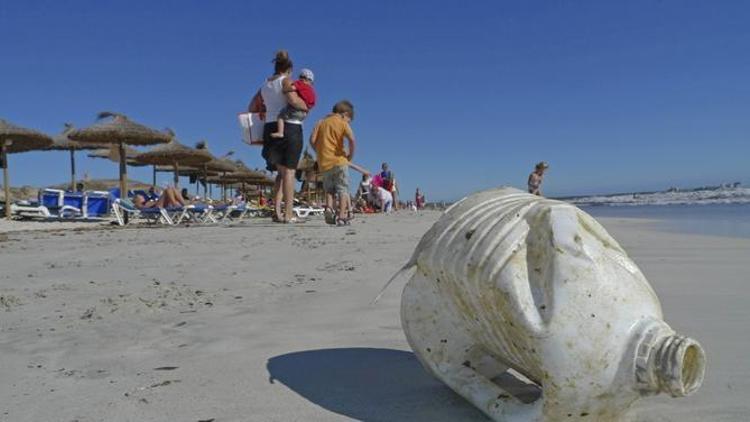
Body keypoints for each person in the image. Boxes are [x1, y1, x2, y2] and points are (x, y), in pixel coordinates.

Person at [248, 50, 309, 223]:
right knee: (290, 172)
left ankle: (277, 212)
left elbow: (252, 106)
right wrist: (306, 106)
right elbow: (294, 101)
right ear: (289, 69)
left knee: (280, 173)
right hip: (290, 127)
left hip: (270, 127)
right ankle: (289, 214)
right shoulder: (286, 81)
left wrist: (265, 109)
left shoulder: (264, 85)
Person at [309, 100, 357, 226]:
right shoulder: (342, 122)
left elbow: (312, 140)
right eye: (349, 119)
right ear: (345, 114)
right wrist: (350, 156)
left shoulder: (321, 122)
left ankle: (329, 209)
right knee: (342, 189)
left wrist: (320, 152)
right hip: (340, 161)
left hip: (324, 163)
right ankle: (341, 217)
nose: (348, 122)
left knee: (329, 189)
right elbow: (352, 139)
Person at [270, 69, 316, 138]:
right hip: (304, 114)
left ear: (302, 78)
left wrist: (284, 90)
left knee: (280, 117)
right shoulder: (312, 91)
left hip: (295, 111)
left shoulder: (300, 83)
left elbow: (292, 88)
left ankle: (280, 132)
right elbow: (313, 103)